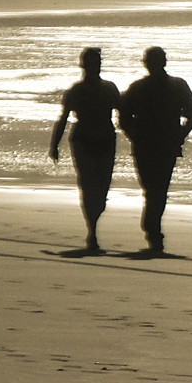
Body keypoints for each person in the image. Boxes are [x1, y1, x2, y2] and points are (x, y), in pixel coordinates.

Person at [118, 45, 192, 256]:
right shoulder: (177, 85)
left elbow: (123, 119)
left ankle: (153, 231)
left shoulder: (138, 87)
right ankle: (153, 230)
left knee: (153, 190)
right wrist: (180, 135)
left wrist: (136, 136)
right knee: (157, 191)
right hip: (162, 145)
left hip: (148, 145)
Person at [48, 46, 121, 253]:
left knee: (102, 187)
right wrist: (54, 145)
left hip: (106, 140)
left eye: (97, 64)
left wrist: (137, 134)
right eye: (91, 64)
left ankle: (94, 223)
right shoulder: (76, 91)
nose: (94, 67)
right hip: (82, 141)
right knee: (88, 186)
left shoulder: (110, 88)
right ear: (84, 66)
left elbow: (123, 113)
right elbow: (62, 118)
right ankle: (92, 231)